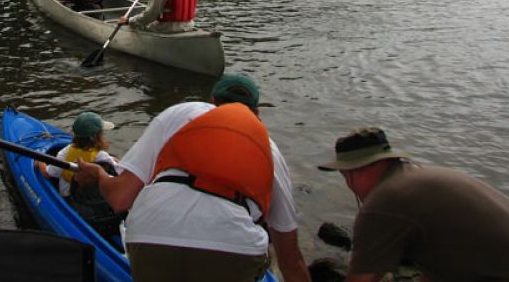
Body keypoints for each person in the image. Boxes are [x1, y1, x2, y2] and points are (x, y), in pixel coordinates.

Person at [74, 74, 311, 282]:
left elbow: (120, 198)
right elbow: (290, 260)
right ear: (257, 114)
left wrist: (100, 176)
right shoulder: (270, 150)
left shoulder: (177, 113)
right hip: (233, 249)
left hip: (150, 236)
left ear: (212, 102)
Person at [318, 127, 509, 281]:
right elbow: (436, 263)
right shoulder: (422, 177)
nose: (347, 183)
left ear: (357, 170)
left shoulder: (384, 201)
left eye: (344, 174)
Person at [38, 111, 124, 239]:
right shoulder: (102, 157)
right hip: (97, 202)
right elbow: (118, 171)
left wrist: (39, 162)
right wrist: (115, 160)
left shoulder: (64, 153)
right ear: (97, 137)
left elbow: (48, 174)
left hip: (70, 200)